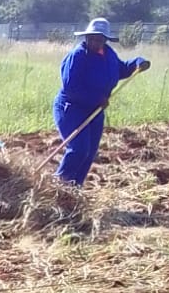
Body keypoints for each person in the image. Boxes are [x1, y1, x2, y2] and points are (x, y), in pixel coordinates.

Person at [53, 17, 150, 186]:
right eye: (92, 38)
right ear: (86, 37)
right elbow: (71, 87)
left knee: (90, 152)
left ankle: (75, 189)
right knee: (79, 149)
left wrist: (138, 63)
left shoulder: (109, 55)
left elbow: (122, 69)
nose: (94, 42)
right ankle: (58, 187)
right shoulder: (78, 56)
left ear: (105, 40)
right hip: (72, 108)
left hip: (95, 110)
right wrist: (96, 98)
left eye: (99, 39)